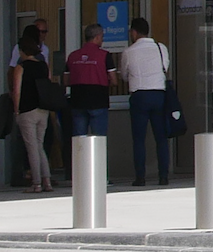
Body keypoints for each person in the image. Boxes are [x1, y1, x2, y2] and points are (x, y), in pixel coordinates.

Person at [121, 15, 173, 186]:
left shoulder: (129, 52)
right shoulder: (160, 48)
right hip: (159, 94)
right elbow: (165, 68)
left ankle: (140, 177)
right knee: (161, 138)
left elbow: (123, 75)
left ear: (134, 33)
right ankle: (163, 176)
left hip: (139, 95)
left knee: (139, 139)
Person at [10, 29, 55, 193]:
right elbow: (49, 84)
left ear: (22, 50)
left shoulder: (21, 67)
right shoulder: (43, 66)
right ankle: (47, 181)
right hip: (43, 109)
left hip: (27, 110)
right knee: (40, 145)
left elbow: (17, 90)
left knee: (31, 147)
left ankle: (36, 182)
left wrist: (16, 110)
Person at [65, 23, 113, 139]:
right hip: (98, 100)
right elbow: (114, 80)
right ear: (97, 37)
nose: (102, 40)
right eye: (102, 37)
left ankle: (80, 158)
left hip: (77, 101)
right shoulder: (104, 55)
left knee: (79, 140)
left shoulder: (72, 56)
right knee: (99, 139)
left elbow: (66, 80)